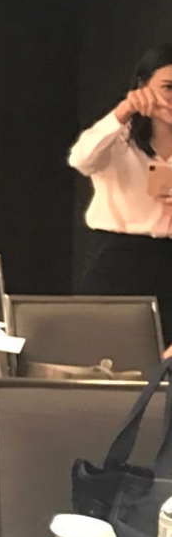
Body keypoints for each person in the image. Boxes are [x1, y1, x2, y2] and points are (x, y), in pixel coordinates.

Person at [69, 43, 172, 345]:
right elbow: (80, 159)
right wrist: (123, 112)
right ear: (142, 86)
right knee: (106, 352)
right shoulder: (118, 137)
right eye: (168, 87)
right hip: (118, 257)